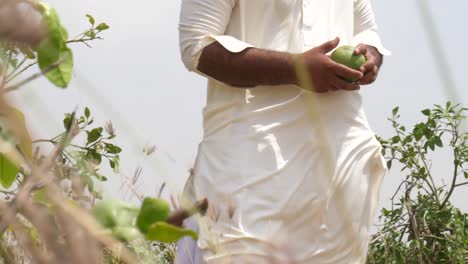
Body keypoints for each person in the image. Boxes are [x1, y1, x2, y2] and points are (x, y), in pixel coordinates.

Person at [177, 0, 390, 263]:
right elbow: (196, 47)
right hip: (251, 160)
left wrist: (370, 56)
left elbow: (368, 32)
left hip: (342, 159)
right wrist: (295, 69)